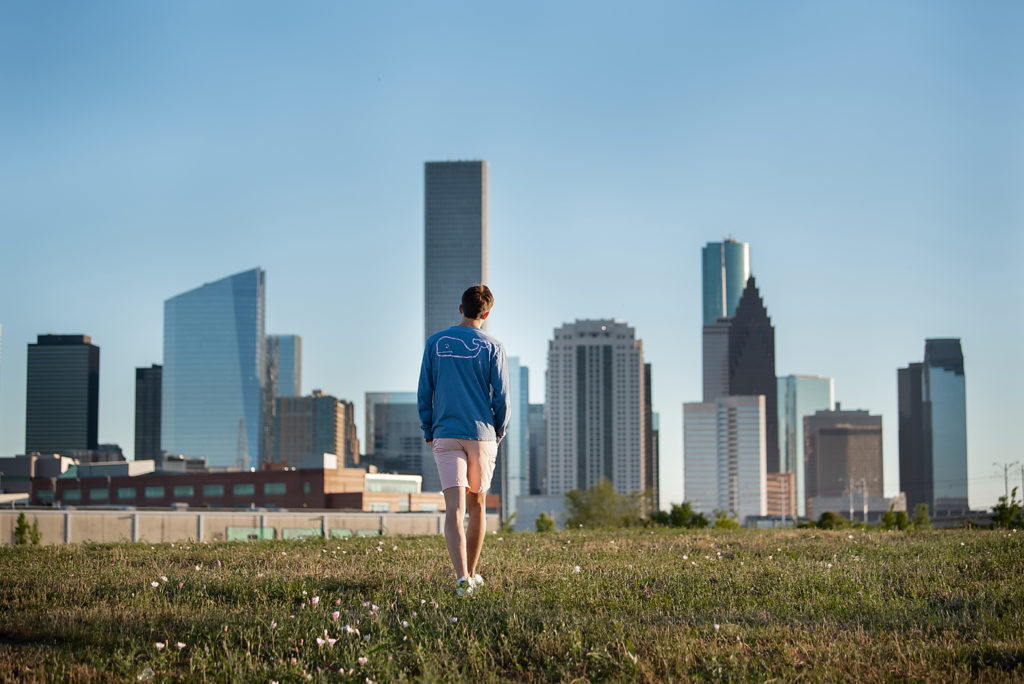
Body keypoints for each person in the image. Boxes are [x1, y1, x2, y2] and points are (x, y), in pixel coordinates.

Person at [417, 285, 509, 596]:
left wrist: (428, 428)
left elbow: (424, 391)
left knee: (453, 509)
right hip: (482, 436)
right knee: (477, 505)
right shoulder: (494, 347)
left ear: (460, 309)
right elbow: (503, 399)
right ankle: (471, 573)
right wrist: (498, 431)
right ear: (486, 314)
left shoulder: (434, 343)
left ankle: (461, 579)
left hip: (444, 432)